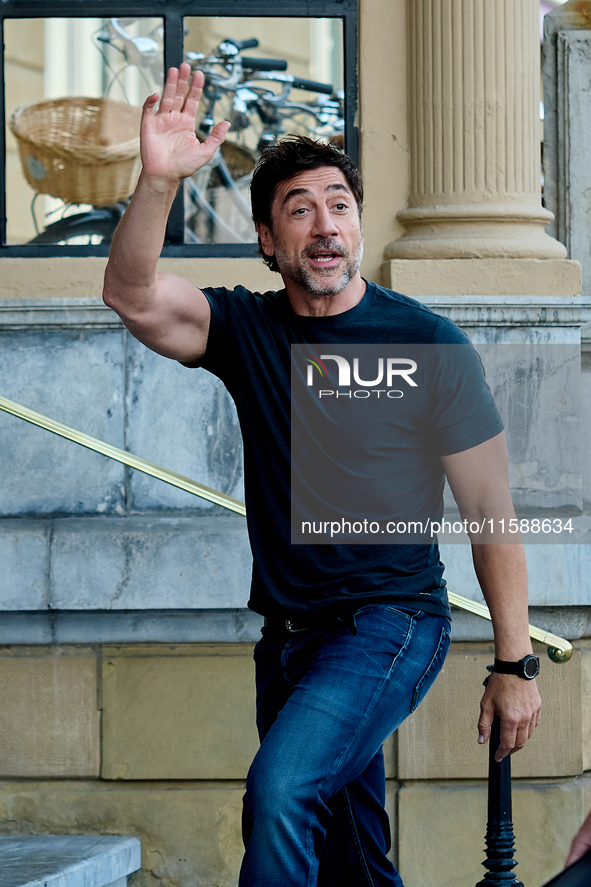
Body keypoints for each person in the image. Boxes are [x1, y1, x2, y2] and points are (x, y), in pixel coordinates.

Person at [102, 63, 542, 887]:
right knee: (349, 860)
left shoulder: (429, 344)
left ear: (358, 226)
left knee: (279, 791)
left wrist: (513, 664)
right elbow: (131, 295)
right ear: (270, 241)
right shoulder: (245, 327)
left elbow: (491, 510)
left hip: (392, 622)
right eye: (299, 210)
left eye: (339, 205)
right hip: (291, 638)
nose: (325, 224)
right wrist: (157, 183)